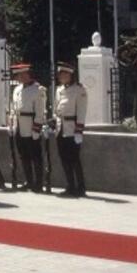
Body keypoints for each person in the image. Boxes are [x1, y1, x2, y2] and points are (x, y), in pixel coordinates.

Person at [10, 63, 47, 192]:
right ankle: (29, 181)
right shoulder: (17, 89)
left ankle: (38, 183)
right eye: (18, 75)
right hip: (19, 125)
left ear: (27, 74)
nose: (19, 77)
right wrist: (12, 124)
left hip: (31, 125)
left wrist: (36, 129)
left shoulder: (38, 90)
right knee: (23, 155)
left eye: (21, 75)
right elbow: (14, 108)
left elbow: (40, 112)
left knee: (35, 156)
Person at [54, 61, 88, 197]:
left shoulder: (79, 90)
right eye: (60, 74)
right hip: (60, 128)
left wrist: (79, 131)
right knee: (64, 159)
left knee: (74, 159)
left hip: (72, 128)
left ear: (71, 75)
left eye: (64, 74)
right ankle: (70, 186)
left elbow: (81, 111)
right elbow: (57, 110)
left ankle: (80, 187)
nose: (61, 76)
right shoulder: (59, 90)